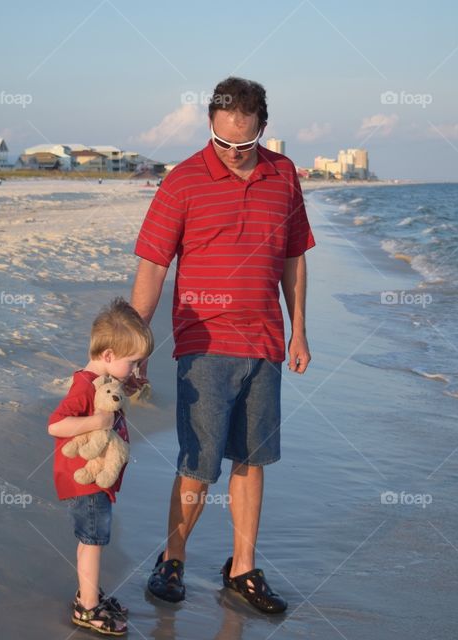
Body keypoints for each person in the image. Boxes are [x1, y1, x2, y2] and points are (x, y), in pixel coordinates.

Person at [130, 76, 315, 614]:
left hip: (265, 341)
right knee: (199, 461)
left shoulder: (283, 176)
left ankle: (242, 569)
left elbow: (293, 258)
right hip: (203, 341)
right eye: (223, 143)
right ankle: (173, 561)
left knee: (253, 459)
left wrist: (298, 328)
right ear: (210, 125)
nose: (234, 155)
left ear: (263, 128)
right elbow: (153, 265)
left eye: (245, 144)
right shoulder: (183, 180)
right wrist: (137, 342)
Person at [47, 297, 154, 635]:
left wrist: (128, 384)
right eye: (132, 362)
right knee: (93, 540)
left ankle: (89, 593)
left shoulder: (104, 380)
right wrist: (96, 421)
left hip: (95, 480)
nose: (135, 369)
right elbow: (55, 425)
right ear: (108, 356)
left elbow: (114, 391)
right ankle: (87, 608)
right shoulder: (82, 386)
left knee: (90, 539)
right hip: (85, 480)